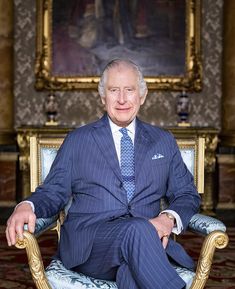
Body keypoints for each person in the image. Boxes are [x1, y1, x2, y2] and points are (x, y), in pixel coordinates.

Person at [6, 59, 201, 289]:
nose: (121, 99)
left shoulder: (163, 141)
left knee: (131, 274)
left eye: (129, 90)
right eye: (113, 90)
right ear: (102, 98)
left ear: (142, 95)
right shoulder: (78, 140)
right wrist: (27, 206)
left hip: (147, 247)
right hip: (91, 245)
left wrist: (168, 219)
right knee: (138, 228)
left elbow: (187, 194)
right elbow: (53, 191)